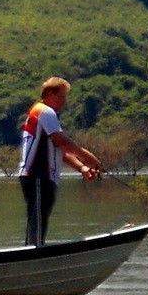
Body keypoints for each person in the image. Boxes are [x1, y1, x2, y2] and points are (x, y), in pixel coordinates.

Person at [17, 77, 103, 247]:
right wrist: (88, 157)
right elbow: (62, 141)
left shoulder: (42, 113)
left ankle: (34, 249)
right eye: (62, 96)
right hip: (38, 175)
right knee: (38, 221)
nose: (64, 101)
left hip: (40, 177)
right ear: (50, 93)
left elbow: (59, 150)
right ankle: (35, 254)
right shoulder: (44, 111)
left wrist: (82, 167)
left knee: (38, 220)